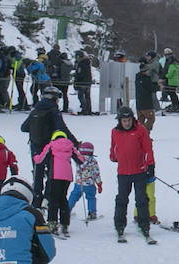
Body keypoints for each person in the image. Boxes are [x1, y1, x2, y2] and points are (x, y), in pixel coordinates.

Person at [110, 105, 156, 245]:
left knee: (142, 200)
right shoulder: (115, 132)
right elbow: (113, 147)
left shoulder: (140, 130)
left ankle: (144, 226)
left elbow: (148, 148)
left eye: (129, 120)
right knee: (121, 199)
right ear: (120, 121)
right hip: (123, 172)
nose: (127, 123)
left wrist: (151, 165)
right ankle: (119, 225)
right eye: (124, 121)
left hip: (139, 171)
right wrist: (113, 156)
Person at [20, 86, 72, 208]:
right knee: (51, 173)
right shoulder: (54, 111)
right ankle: (48, 199)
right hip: (50, 148)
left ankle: (36, 199)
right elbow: (62, 128)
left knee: (38, 173)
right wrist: (74, 142)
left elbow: (23, 128)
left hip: (35, 147)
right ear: (55, 98)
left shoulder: (35, 110)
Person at [33, 130, 81, 238]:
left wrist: (35, 157)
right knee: (63, 199)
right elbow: (80, 159)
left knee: (53, 199)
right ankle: (65, 224)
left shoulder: (51, 145)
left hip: (55, 175)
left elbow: (41, 159)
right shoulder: (70, 146)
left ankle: (52, 223)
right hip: (67, 177)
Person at [66, 141, 101, 226]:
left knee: (73, 197)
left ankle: (67, 211)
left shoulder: (78, 159)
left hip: (79, 183)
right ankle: (92, 213)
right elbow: (96, 173)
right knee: (91, 197)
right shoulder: (93, 161)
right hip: (90, 185)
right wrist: (99, 184)